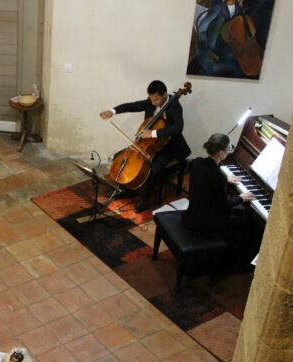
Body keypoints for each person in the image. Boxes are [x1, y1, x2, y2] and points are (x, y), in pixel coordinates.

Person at [99, 80, 191, 213]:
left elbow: (178, 128)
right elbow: (132, 106)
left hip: (169, 144)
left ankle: (146, 199)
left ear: (164, 94)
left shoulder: (174, 105)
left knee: (155, 169)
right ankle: (126, 190)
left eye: (156, 99)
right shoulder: (151, 101)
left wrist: (152, 133)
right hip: (147, 144)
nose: (153, 103)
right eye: (151, 99)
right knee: (122, 157)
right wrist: (112, 111)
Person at [183, 133, 254, 259]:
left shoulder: (198, 162)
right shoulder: (217, 176)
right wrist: (241, 197)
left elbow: (207, 179)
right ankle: (233, 257)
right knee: (245, 219)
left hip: (191, 214)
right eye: (229, 149)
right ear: (221, 153)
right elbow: (225, 205)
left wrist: (226, 178)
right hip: (205, 224)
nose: (229, 152)